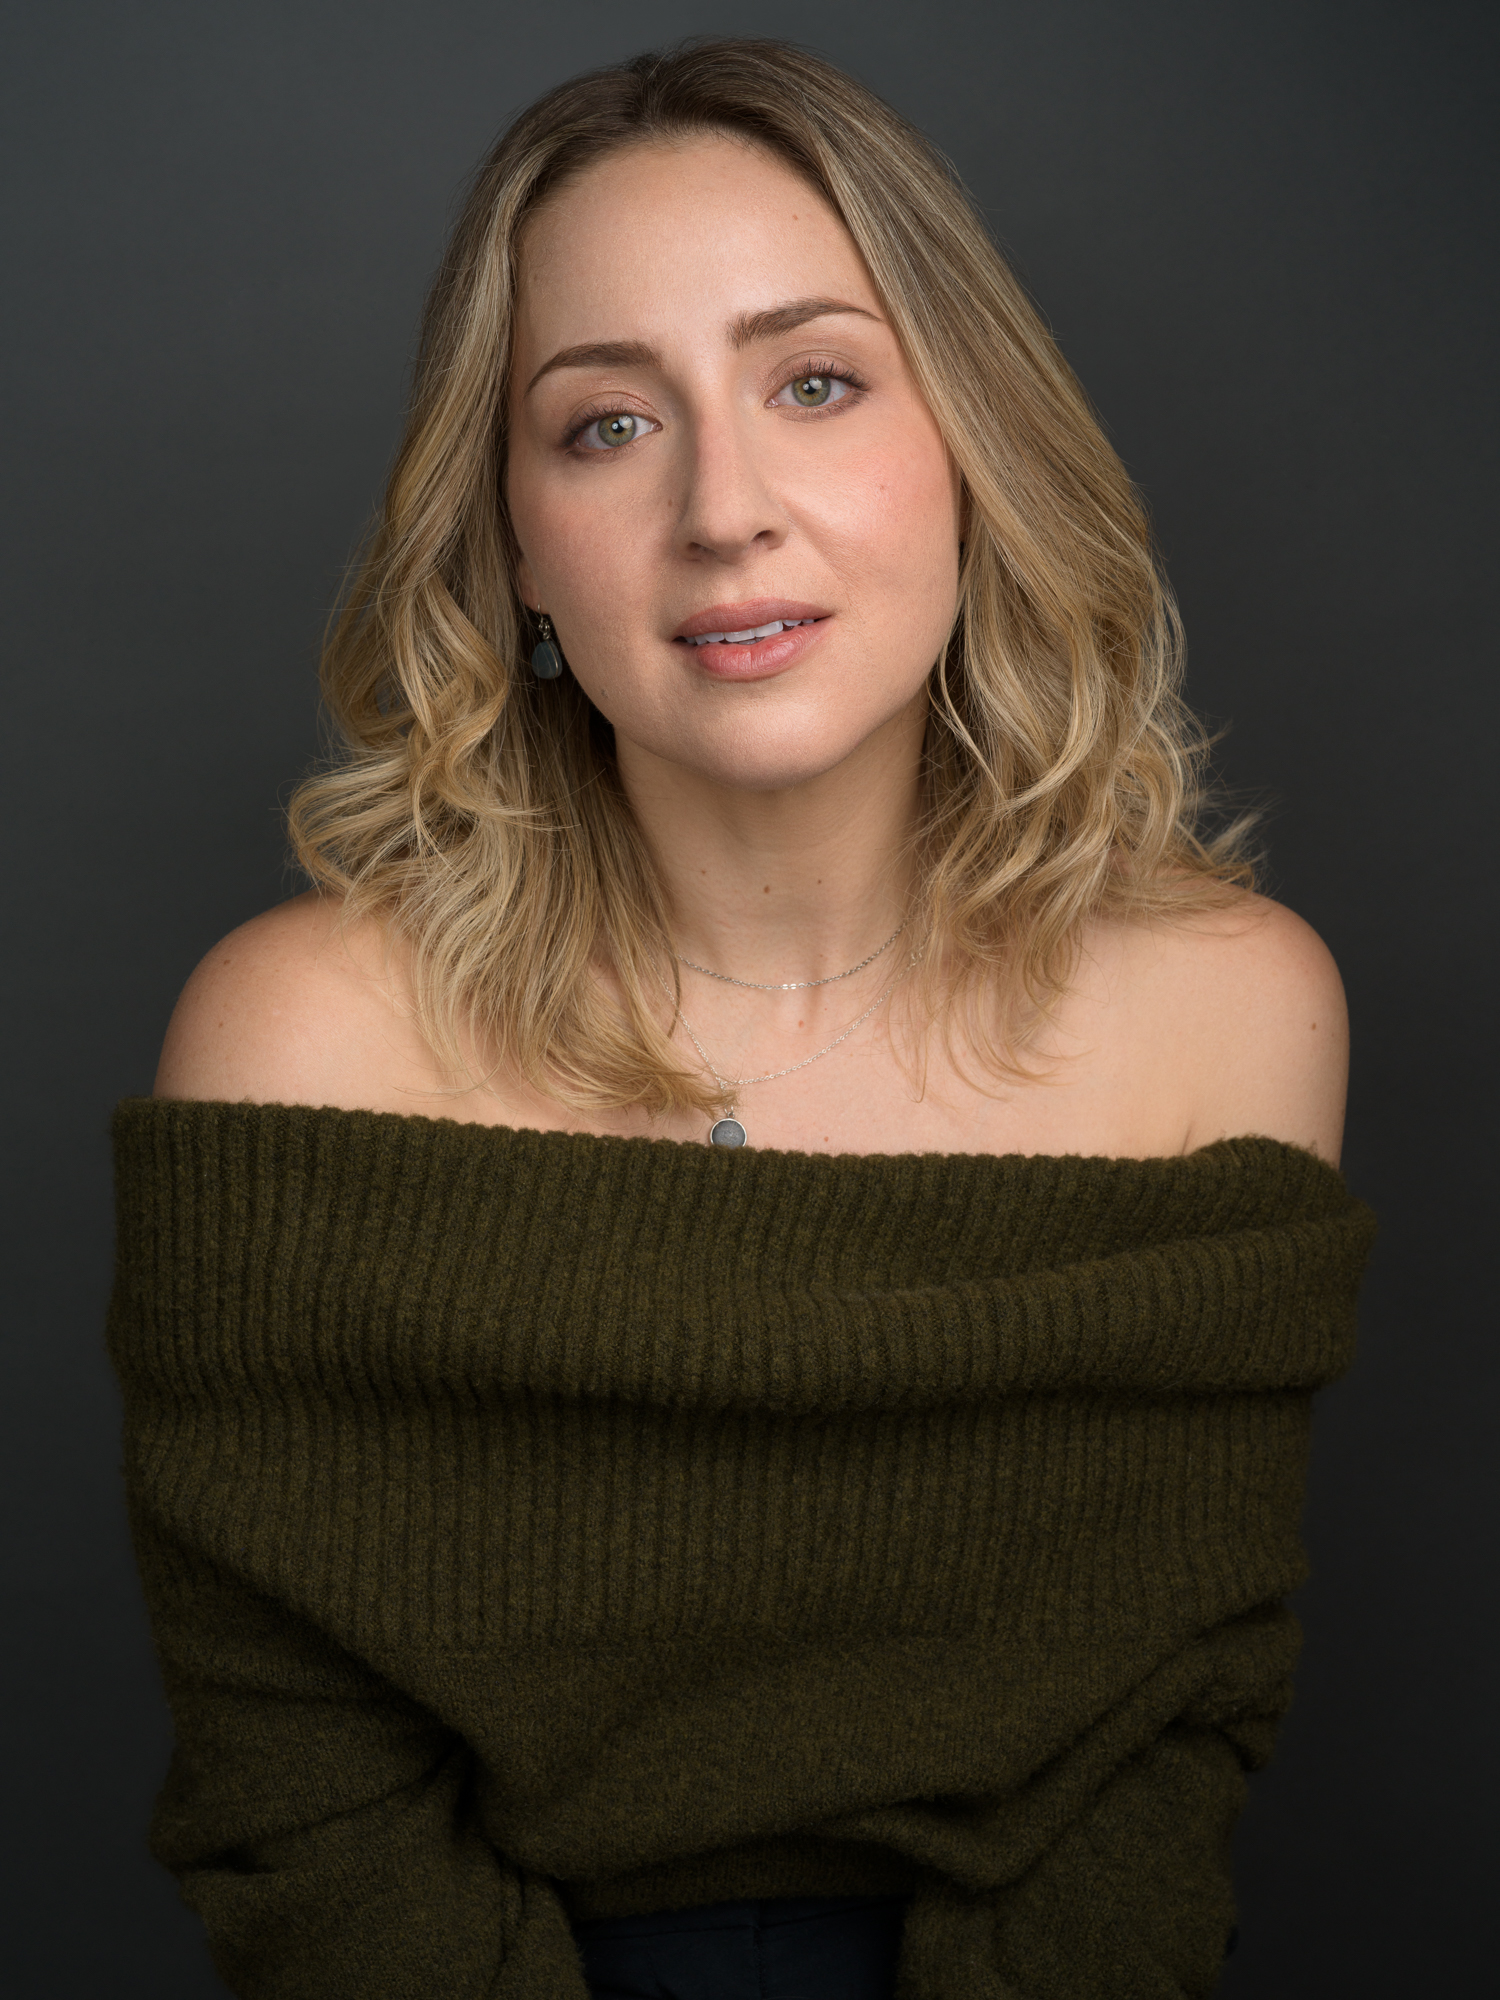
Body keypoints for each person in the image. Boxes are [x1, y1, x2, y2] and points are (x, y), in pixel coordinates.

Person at [108, 38, 1374, 2000]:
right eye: (607, 424)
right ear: (516, 544)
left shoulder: (1233, 1012)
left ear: (972, 446)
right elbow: (305, 1812)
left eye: (816, 382)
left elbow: (1164, 1766)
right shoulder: (298, 1043)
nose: (724, 509)